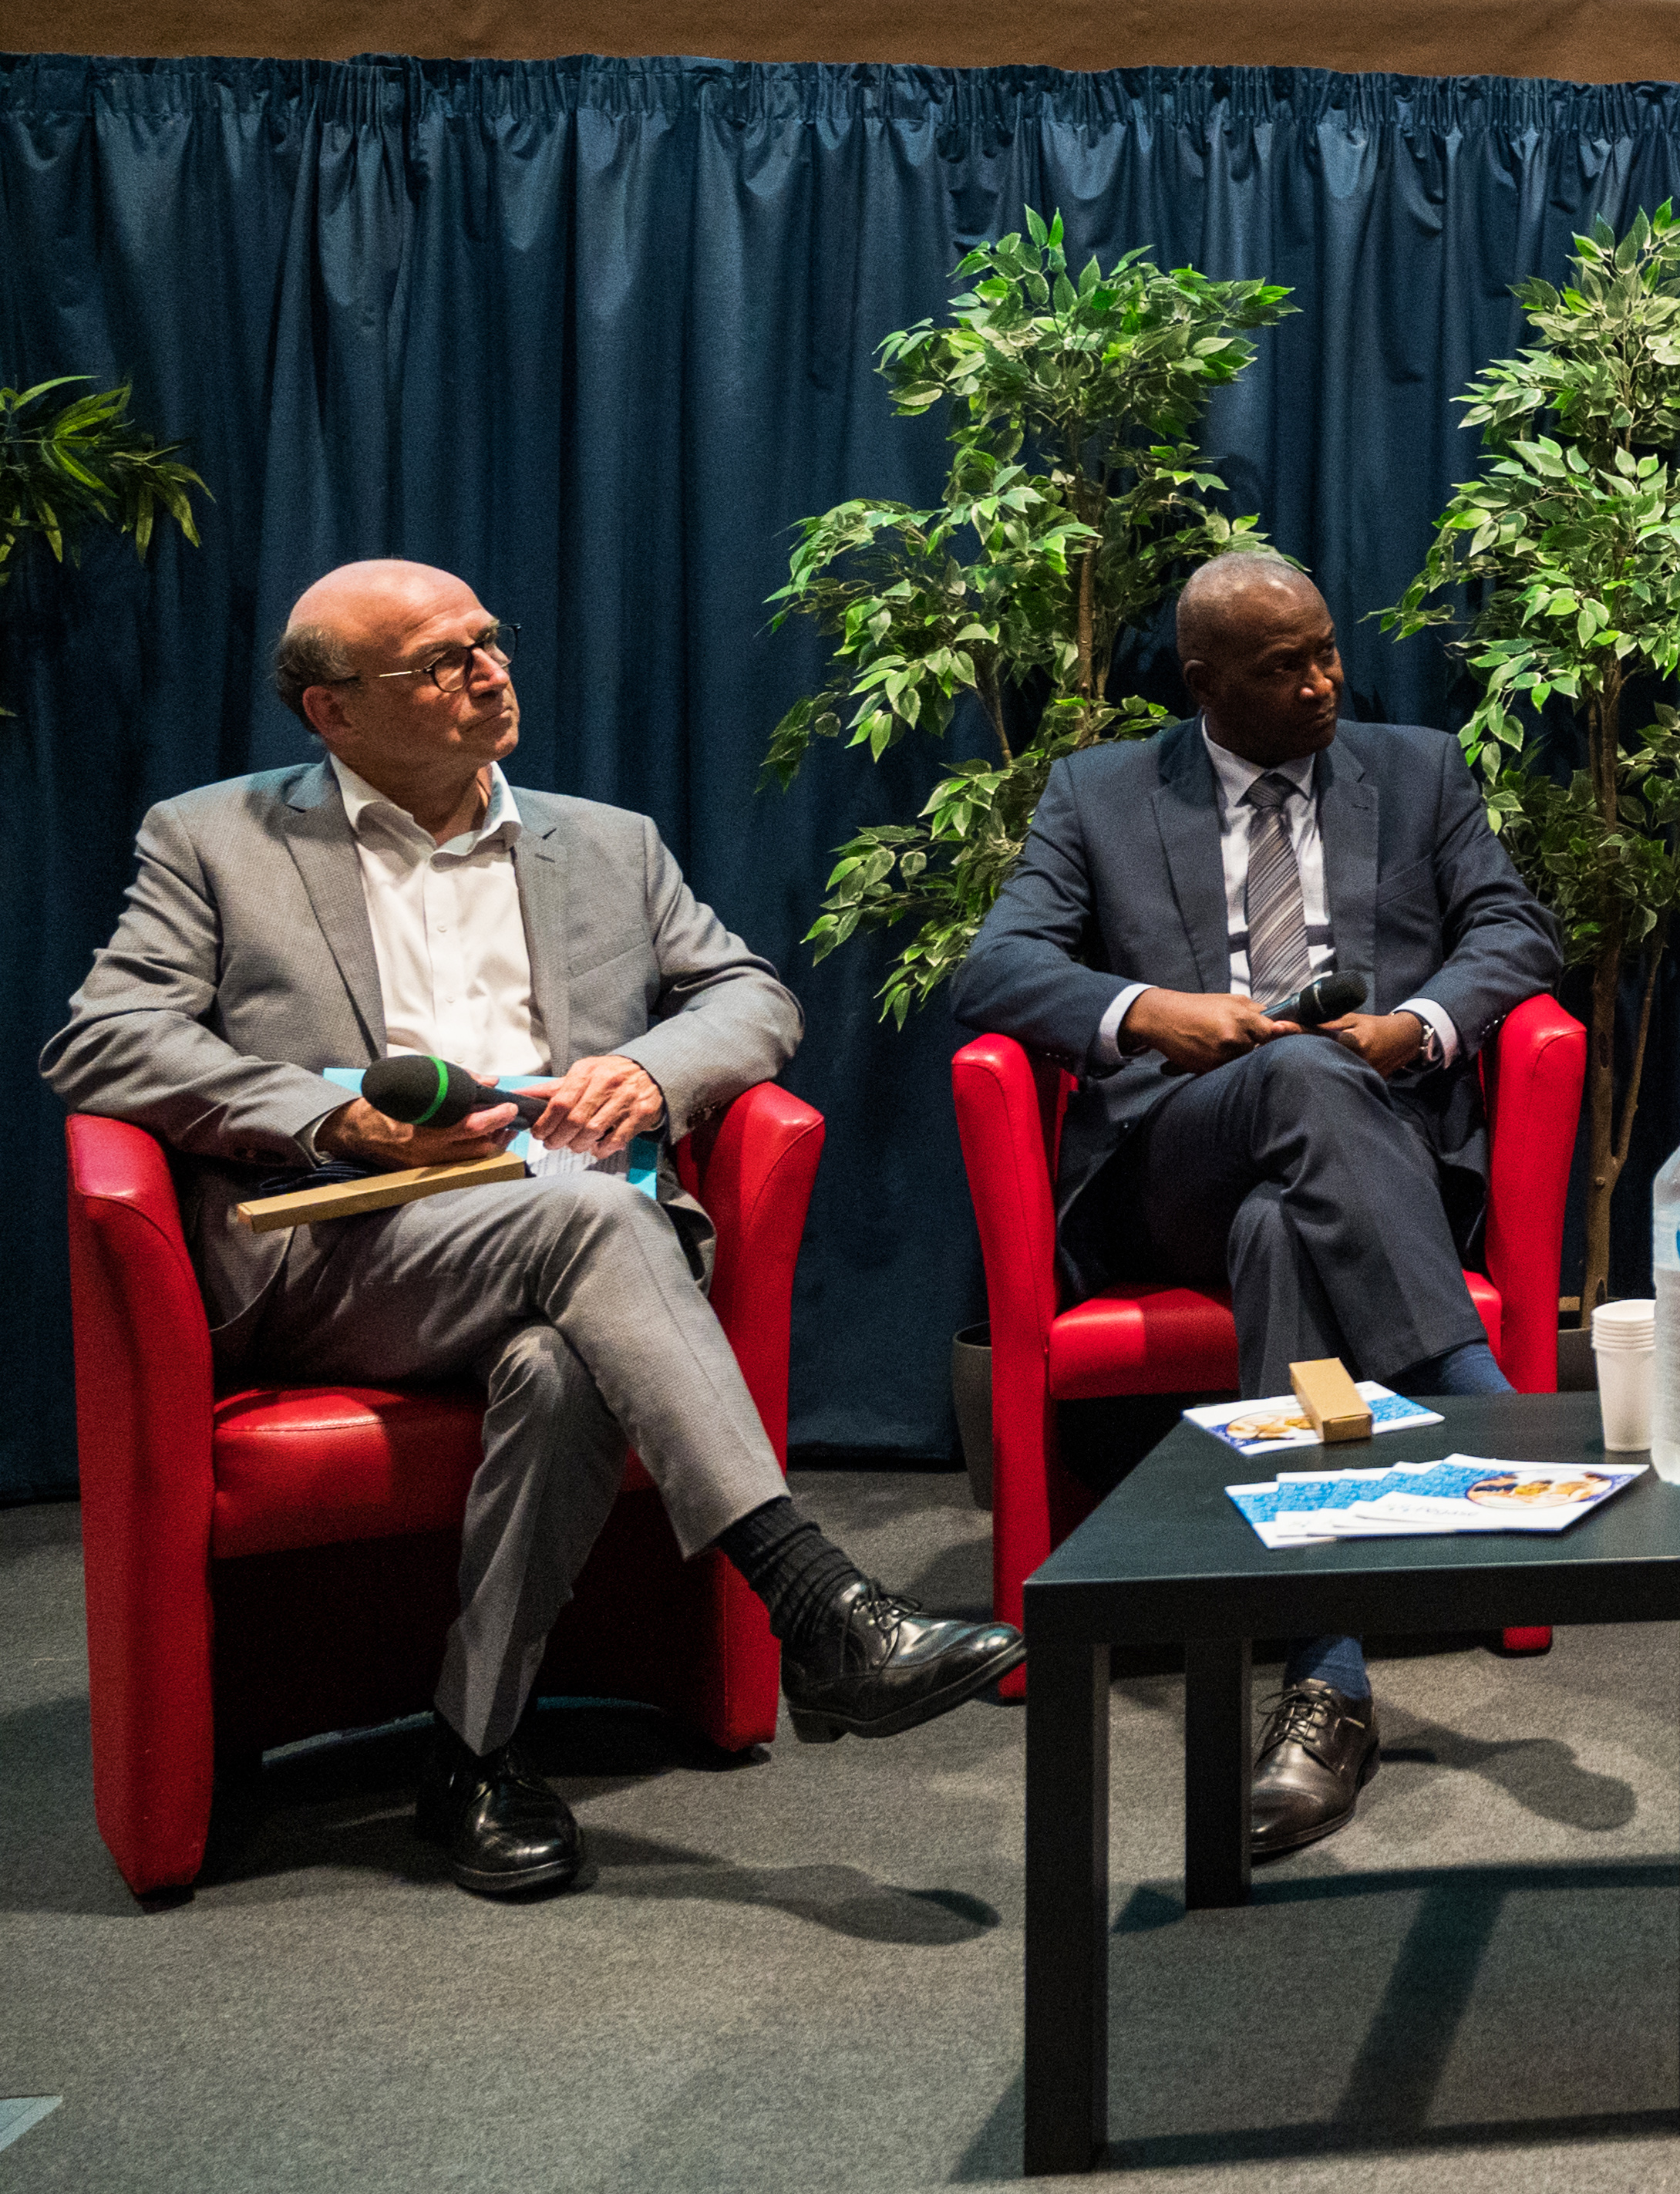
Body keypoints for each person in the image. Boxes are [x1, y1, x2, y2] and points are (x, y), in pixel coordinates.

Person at [42, 559, 1024, 1902]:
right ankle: (817, 1607)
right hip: (346, 1249)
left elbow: (748, 995)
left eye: (489, 643)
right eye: (438, 664)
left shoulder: (606, 842)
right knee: (587, 1215)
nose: (489, 672)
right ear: (331, 711)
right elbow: (105, 1039)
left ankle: (473, 1754)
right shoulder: (215, 839)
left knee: (564, 1350)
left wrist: (656, 1074)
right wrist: (336, 1126)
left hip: (569, 1237)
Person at [954, 553, 1558, 1859]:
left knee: (1277, 1229)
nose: (1322, 681)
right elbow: (993, 968)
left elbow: (1515, 932)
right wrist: (1147, 1014)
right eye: (1284, 667)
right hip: (1176, 1153)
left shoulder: (1419, 768)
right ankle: (1478, 1396)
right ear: (1203, 682)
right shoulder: (1101, 791)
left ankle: (1326, 1682)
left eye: (1328, 651)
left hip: (1362, 1158)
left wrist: (1421, 1026)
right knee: (1290, 1068)